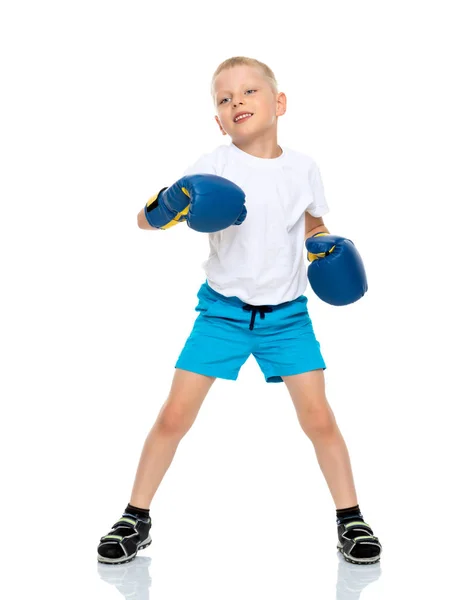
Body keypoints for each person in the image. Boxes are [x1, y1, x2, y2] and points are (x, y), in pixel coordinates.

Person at [97, 56, 382, 566]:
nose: (237, 102)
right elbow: (145, 220)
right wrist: (166, 203)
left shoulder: (303, 168)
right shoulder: (212, 166)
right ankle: (134, 516)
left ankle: (351, 519)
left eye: (249, 92)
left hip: (287, 318)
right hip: (221, 315)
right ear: (218, 119)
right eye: (225, 99)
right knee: (174, 416)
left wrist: (325, 246)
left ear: (279, 103)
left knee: (319, 419)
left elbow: (313, 225)